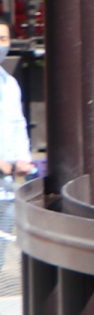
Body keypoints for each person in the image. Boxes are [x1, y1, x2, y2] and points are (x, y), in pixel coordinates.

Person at [0, 21, 32, 279]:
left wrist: (24, 158)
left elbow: (19, 125)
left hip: (8, 186)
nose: (1, 44)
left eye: (3, 39)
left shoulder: (10, 84)